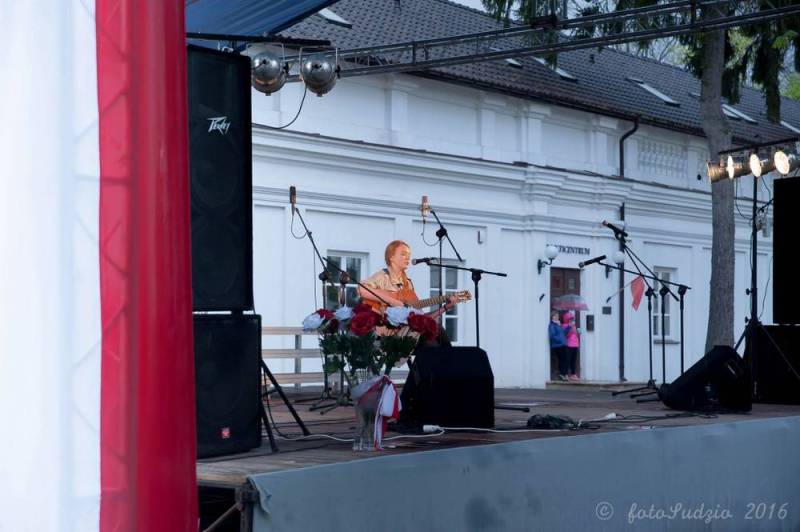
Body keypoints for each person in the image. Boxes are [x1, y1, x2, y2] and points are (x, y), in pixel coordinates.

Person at [358, 240, 458, 324]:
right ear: (391, 257)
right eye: (403, 254)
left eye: (409, 255)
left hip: (404, 334)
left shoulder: (408, 284)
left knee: (438, 331)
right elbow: (361, 289)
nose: (408, 258)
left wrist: (445, 308)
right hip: (385, 332)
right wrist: (393, 301)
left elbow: (420, 319)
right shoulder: (383, 276)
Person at [548, 310, 569, 381]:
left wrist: (568, 328)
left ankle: (564, 374)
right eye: (555, 316)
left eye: (557, 316)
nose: (557, 317)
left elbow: (563, 333)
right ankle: (562, 374)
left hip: (563, 344)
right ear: (552, 317)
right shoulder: (552, 325)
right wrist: (560, 340)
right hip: (557, 345)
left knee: (565, 359)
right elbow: (552, 335)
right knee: (561, 360)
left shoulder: (558, 325)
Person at [562, 311, 580, 382]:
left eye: (572, 319)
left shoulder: (574, 326)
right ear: (567, 319)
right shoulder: (564, 326)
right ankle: (565, 374)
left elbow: (576, 336)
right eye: (570, 319)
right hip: (568, 345)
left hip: (575, 345)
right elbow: (565, 334)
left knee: (573, 361)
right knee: (567, 360)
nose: (572, 320)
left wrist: (578, 332)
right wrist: (569, 327)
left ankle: (573, 374)